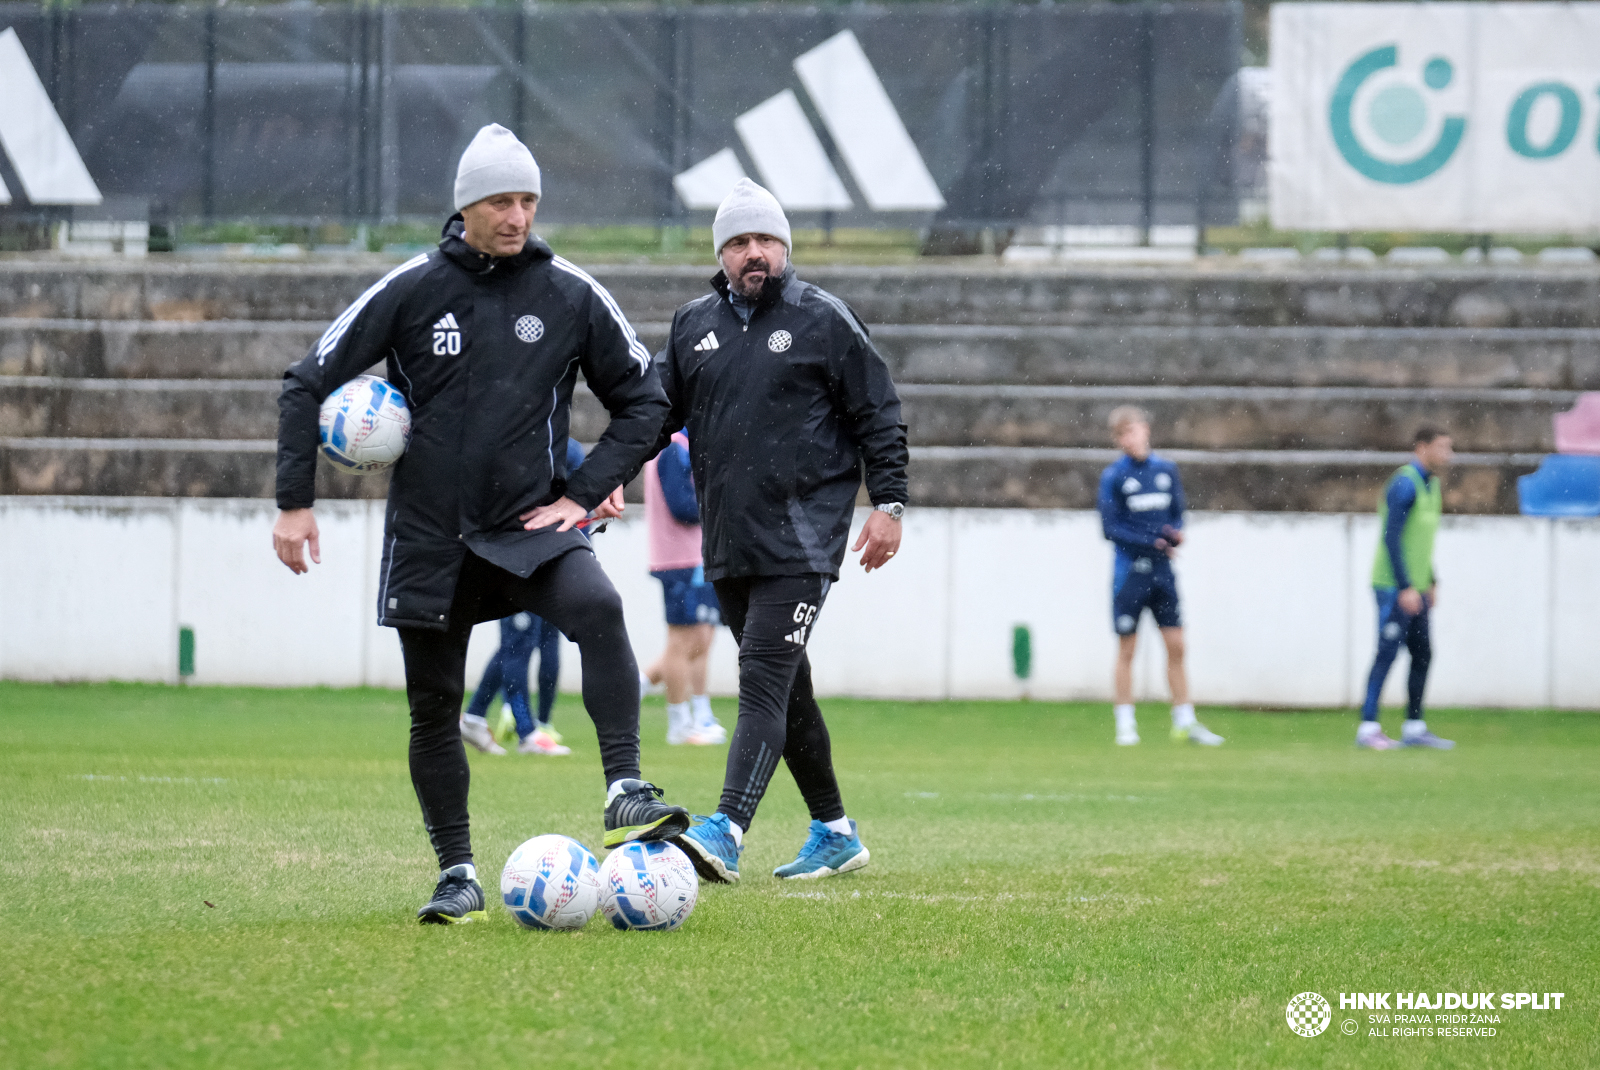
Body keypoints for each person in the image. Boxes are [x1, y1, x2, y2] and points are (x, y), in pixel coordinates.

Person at [271, 124, 688, 924]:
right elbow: (305, 381)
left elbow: (648, 401)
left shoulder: (568, 291)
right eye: (502, 199)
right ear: (466, 206)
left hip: (530, 525)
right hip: (430, 536)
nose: (518, 215)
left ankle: (626, 787)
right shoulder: (412, 287)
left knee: (599, 607)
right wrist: (296, 501)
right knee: (433, 707)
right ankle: (456, 872)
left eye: (528, 199)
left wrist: (587, 486)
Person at [653, 179, 909, 883]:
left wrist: (888, 503)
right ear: (722, 254)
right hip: (729, 539)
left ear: (785, 247)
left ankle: (726, 828)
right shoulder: (691, 325)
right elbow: (652, 414)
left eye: (765, 239)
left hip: (803, 539)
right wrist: (603, 480)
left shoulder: (825, 318)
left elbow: (878, 414)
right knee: (789, 689)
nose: (754, 252)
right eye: (739, 242)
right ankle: (834, 830)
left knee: (761, 678)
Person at [1096, 406, 1223, 747]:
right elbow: (1110, 528)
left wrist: (1175, 534)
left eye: (1133, 431)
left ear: (1146, 430)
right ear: (1117, 440)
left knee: (1177, 646)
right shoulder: (1114, 477)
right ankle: (1125, 724)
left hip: (1163, 573)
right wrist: (1149, 542)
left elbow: (1177, 514)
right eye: (1123, 434)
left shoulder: (1166, 470)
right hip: (1130, 574)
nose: (1130, 438)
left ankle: (1184, 720)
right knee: (1127, 649)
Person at [461, 439, 588, 757]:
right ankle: (527, 732)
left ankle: (477, 716)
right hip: (520, 559)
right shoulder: (546, 447)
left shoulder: (558, 448)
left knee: (523, 642)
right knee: (520, 644)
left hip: (543, 556)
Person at [1357, 427, 1456, 750]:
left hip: (1418, 587)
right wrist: (1405, 586)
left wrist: (1431, 580)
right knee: (1386, 653)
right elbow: (1392, 537)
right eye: (1441, 448)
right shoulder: (1404, 483)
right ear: (1421, 447)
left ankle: (1414, 726)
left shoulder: (1433, 485)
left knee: (1423, 654)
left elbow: (1421, 543)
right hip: (1393, 587)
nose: (1447, 455)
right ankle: (1368, 726)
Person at [641, 429, 728, 746]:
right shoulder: (671, 450)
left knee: (703, 637)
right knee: (682, 641)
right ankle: (679, 723)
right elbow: (682, 506)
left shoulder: (689, 447)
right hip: (677, 561)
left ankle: (700, 713)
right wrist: (721, 498)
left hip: (698, 558)